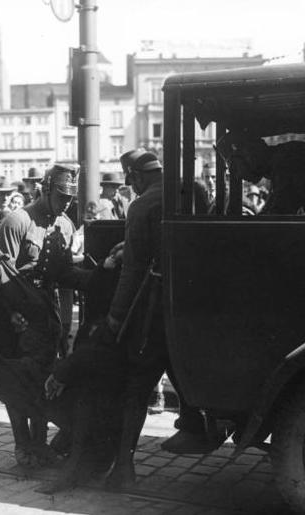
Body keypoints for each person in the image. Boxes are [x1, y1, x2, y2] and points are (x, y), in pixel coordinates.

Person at [101, 148, 223, 488]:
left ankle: (123, 467)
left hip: (158, 307)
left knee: (138, 382)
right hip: (198, 303)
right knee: (180, 363)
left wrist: (115, 315)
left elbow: (133, 271)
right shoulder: (194, 190)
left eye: (132, 182)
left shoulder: (141, 206)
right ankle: (194, 426)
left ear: (136, 177)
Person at [0, 163, 87, 467]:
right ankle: (23, 446)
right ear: (45, 189)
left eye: (71, 198)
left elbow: (64, 278)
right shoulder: (17, 221)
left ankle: (40, 443)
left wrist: (63, 324)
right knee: (17, 383)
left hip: (45, 313)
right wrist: (12, 316)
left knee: (44, 379)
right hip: (15, 313)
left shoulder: (65, 225)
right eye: (62, 196)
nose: (67, 203)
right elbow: (0, 274)